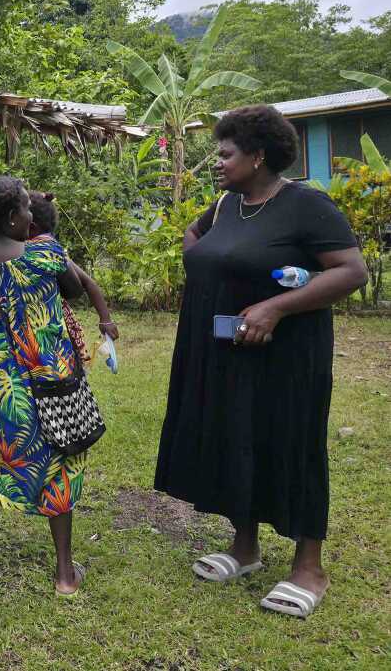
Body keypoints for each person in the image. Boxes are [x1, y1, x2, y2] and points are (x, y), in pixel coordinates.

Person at [156, 105, 367, 619]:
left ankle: (309, 568)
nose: (217, 162)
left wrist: (275, 305)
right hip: (226, 351)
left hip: (287, 356)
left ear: (257, 156)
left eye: (226, 154)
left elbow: (352, 271)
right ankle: (244, 548)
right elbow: (196, 241)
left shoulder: (305, 205)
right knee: (236, 437)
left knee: (291, 442)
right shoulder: (227, 205)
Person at [0, 176, 88, 595]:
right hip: (45, 381)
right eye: (27, 210)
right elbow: (76, 289)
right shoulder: (44, 254)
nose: (32, 217)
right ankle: (65, 575)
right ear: (14, 218)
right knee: (57, 463)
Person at [27, 192, 119, 362]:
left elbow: (86, 283)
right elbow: (89, 283)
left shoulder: (49, 250)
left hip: (52, 327)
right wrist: (105, 319)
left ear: (31, 227)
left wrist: (106, 320)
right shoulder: (44, 249)